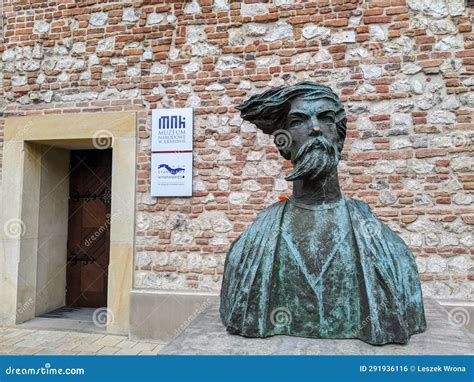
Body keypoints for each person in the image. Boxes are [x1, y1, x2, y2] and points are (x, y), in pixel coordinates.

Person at [220, 81, 427, 345]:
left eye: (326, 119)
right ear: (283, 144)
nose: (315, 128)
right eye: (299, 121)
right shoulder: (249, 248)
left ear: (339, 139)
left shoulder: (390, 251)